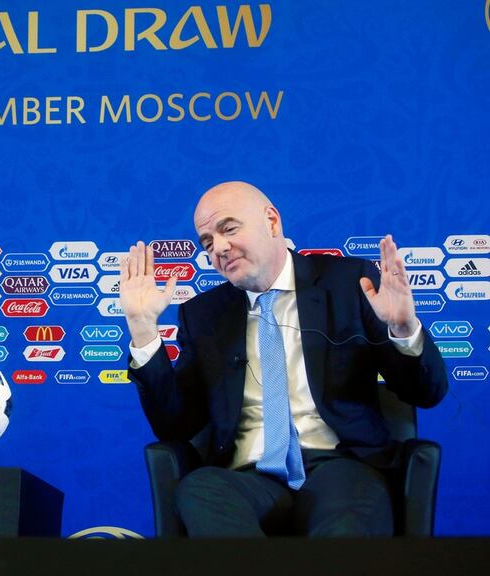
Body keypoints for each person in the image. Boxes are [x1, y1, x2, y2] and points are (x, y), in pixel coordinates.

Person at [120, 181, 447, 536]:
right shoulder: (204, 315)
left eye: (228, 229)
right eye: (208, 242)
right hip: (246, 476)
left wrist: (402, 328)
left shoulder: (349, 283)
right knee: (200, 489)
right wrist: (142, 330)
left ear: (272, 221)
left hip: (340, 466)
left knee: (347, 523)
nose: (220, 248)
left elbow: (426, 392)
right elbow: (175, 426)